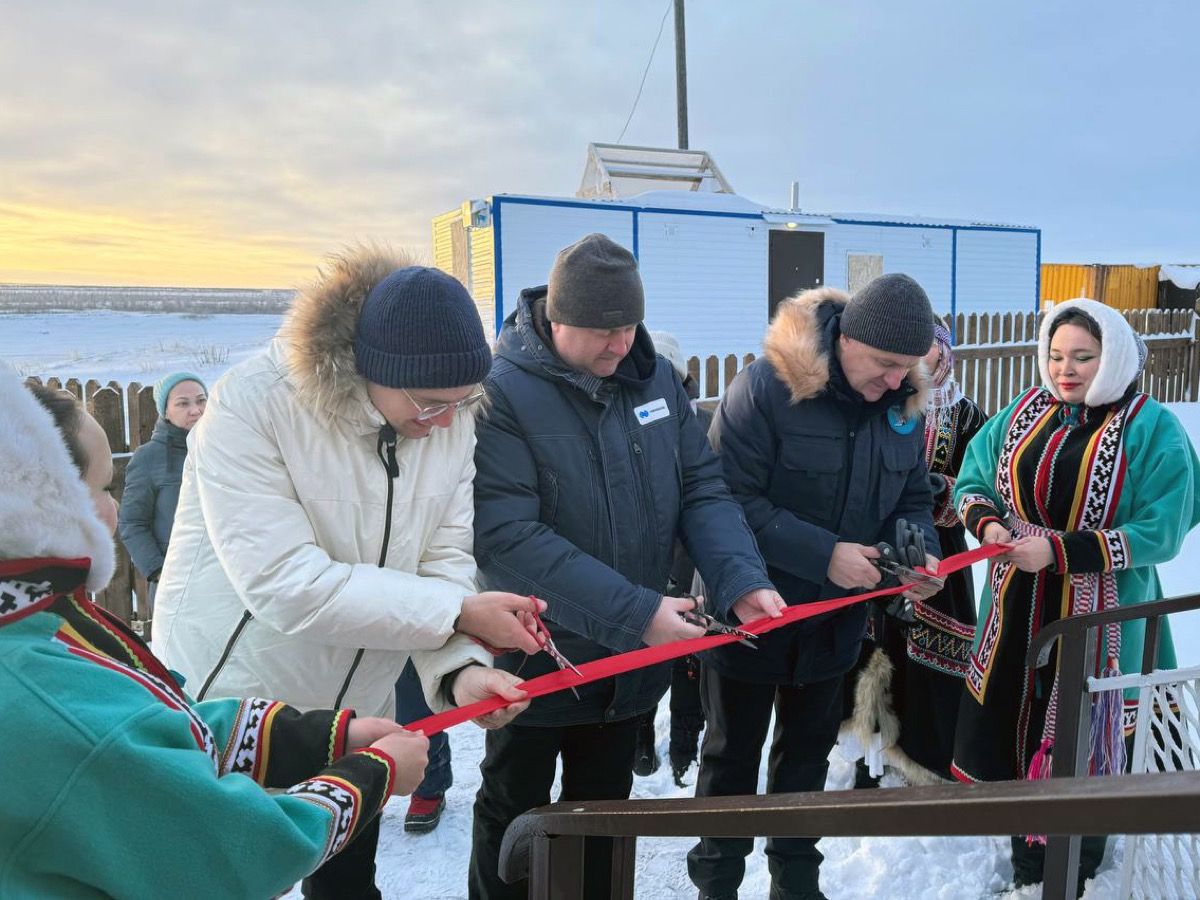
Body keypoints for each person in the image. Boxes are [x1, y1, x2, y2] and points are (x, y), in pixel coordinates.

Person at [152, 248, 546, 900]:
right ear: (370, 371)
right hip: (242, 709)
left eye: (463, 401)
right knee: (222, 879)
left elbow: (443, 559)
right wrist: (455, 615)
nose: (445, 422)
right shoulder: (255, 406)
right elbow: (284, 582)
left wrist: (461, 667)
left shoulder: (447, 418)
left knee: (347, 885)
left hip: (359, 712)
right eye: (429, 404)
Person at [0, 367, 433, 898]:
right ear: (36, 506)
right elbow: (239, 851)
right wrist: (375, 773)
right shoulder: (49, 693)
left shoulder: (35, 625)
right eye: (100, 487)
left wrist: (318, 738)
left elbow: (154, 727)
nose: (112, 506)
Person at [469, 233, 783, 899]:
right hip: (538, 657)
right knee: (513, 814)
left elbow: (702, 489)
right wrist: (638, 613)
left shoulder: (659, 381)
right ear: (556, 321)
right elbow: (507, 537)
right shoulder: (504, 395)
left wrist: (740, 577)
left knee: (604, 817)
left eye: (628, 326)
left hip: (629, 667)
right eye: (600, 331)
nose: (619, 345)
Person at [690, 274, 942, 900]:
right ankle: (717, 882)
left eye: (908, 369)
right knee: (731, 758)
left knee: (804, 758)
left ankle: (795, 882)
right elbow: (722, 501)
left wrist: (920, 552)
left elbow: (912, 495)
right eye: (885, 365)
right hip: (749, 610)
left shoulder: (901, 402)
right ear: (847, 339)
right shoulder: (767, 388)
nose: (896, 381)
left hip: (835, 622)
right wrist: (823, 554)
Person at [951, 297, 1200, 893]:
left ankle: (1079, 861)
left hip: (1104, 612)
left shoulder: (1150, 427)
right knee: (1018, 713)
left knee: (1088, 731)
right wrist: (988, 524)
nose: (1066, 369)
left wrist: (1063, 553)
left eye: (1083, 357)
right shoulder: (1024, 412)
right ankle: (1026, 855)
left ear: (1112, 358)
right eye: (1057, 355)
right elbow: (974, 476)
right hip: (1017, 604)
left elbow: (1165, 527)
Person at [844, 322, 988, 787]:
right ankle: (870, 748)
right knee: (875, 646)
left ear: (943, 353)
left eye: (924, 345)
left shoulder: (967, 417)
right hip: (880, 544)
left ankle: (928, 755)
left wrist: (942, 492)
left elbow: (983, 489)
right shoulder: (883, 404)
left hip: (939, 554)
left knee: (931, 654)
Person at [632, 330, 711, 786]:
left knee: (687, 659)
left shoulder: (697, 427)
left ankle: (684, 746)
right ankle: (642, 737)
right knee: (640, 656)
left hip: (686, 564)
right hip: (640, 567)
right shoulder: (624, 421)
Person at [117, 371, 207, 606]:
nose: (195, 410)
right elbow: (132, 523)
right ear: (165, 411)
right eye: (183, 403)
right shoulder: (148, 458)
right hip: (177, 585)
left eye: (201, 400)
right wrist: (159, 571)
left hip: (225, 580)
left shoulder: (224, 449)